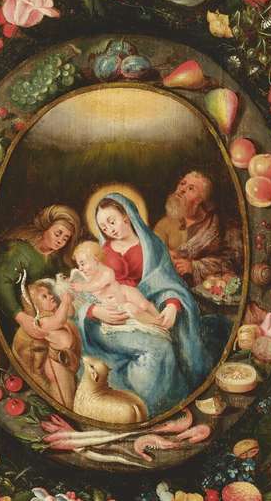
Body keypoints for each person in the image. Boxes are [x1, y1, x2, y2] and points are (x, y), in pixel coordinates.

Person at [75, 193, 213, 417]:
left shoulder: (153, 247)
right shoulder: (99, 253)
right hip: (107, 321)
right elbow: (85, 293)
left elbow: (168, 283)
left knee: (161, 347)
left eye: (112, 221)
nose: (109, 229)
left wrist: (172, 305)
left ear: (126, 216)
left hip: (141, 310)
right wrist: (95, 311)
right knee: (156, 348)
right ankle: (135, 409)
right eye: (103, 227)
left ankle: (152, 410)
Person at [0, 204, 81, 342]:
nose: (60, 241)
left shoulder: (55, 258)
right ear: (46, 227)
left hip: (44, 317)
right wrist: (21, 317)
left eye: (65, 238)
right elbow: (1, 283)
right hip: (14, 318)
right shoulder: (18, 250)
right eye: (58, 234)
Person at [153, 170, 238, 287]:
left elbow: (233, 261)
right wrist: (165, 254)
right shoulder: (165, 223)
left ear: (200, 199)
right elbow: (152, 251)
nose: (182, 190)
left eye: (191, 188)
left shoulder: (218, 226)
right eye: (182, 183)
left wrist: (194, 266)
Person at [66, 240, 168, 333]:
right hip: (119, 305)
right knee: (133, 310)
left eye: (82, 264)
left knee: (144, 305)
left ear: (95, 260)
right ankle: (157, 323)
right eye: (78, 265)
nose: (80, 268)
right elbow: (77, 279)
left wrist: (82, 287)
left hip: (124, 293)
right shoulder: (88, 276)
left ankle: (160, 318)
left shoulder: (106, 272)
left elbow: (98, 285)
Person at [11, 279, 81, 409]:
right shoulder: (41, 320)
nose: (50, 296)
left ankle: (69, 409)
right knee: (64, 397)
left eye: (49, 293)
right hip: (56, 364)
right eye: (44, 297)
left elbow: (70, 313)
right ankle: (65, 411)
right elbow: (59, 321)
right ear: (36, 306)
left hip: (67, 360)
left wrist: (67, 299)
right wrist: (65, 302)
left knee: (71, 390)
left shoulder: (55, 313)